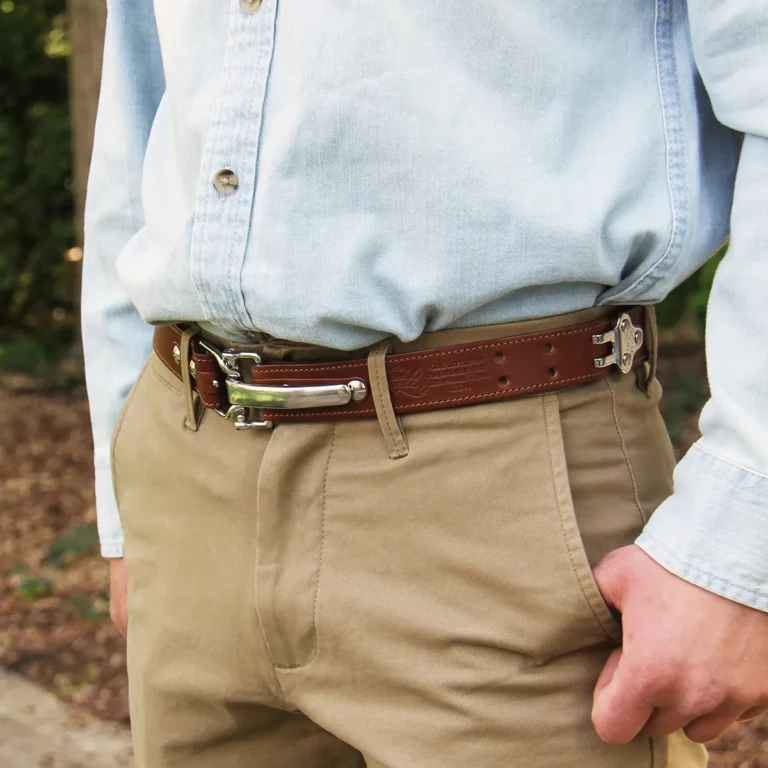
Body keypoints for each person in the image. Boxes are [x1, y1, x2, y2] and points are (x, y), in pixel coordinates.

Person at [82, 2, 768, 766]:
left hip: (501, 498)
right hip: (189, 475)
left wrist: (742, 543)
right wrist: (124, 504)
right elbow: (140, 105)